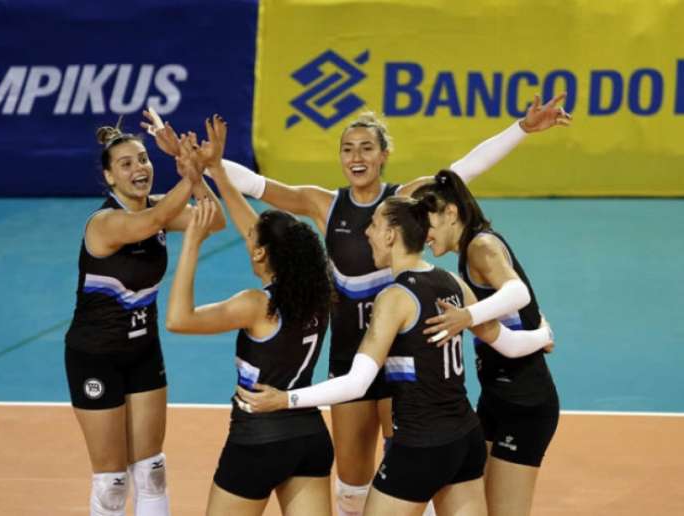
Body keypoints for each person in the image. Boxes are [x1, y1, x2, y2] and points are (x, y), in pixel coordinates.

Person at [178, 94, 570, 515]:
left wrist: (520, 130)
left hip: (401, 362)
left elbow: (462, 171)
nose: (356, 156)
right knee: (352, 481)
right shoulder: (324, 204)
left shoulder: (402, 204)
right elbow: (258, 188)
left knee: (411, 463)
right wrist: (209, 165)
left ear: (383, 155)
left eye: (367, 147)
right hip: (353, 359)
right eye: (347, 148)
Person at [235, 195, 553, 516]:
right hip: (465, 440)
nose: (367, 233)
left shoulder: (394, 298)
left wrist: (285, 400)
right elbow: (508, 343)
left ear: (391, 235)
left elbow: (357, 384)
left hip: (420, 444)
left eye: (373, 224)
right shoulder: (453, 283)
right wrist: (543, 335)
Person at [165, 116, 335, 516]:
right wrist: (210, 172)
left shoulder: (256, 305)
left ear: (261, 253)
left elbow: (178, 319)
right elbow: (252, 229)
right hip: (308, 437)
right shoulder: (319, 290)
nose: (247, 239)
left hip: (257, 439)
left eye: (253, 242)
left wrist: (191, 242)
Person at [64, 115, 225, 516]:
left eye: (143, 159)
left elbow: (214, 221)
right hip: (95, 357)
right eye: (127, 164)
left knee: (152, 469)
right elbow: (149, 223)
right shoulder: (105, 223)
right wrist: (190, 171)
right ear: (110, 178)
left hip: (143, 352)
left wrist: (193, 171)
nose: (140, 169)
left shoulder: (160, 209)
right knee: (112, 482)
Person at [416, 170, 559, 516]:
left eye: (427, 224)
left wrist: (468, 316)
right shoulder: (469, 254)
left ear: (451, 213)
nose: (423, 236)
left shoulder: (481, 246)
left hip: (525, 403)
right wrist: (540, 334)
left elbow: (517, 291)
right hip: (496, 397)